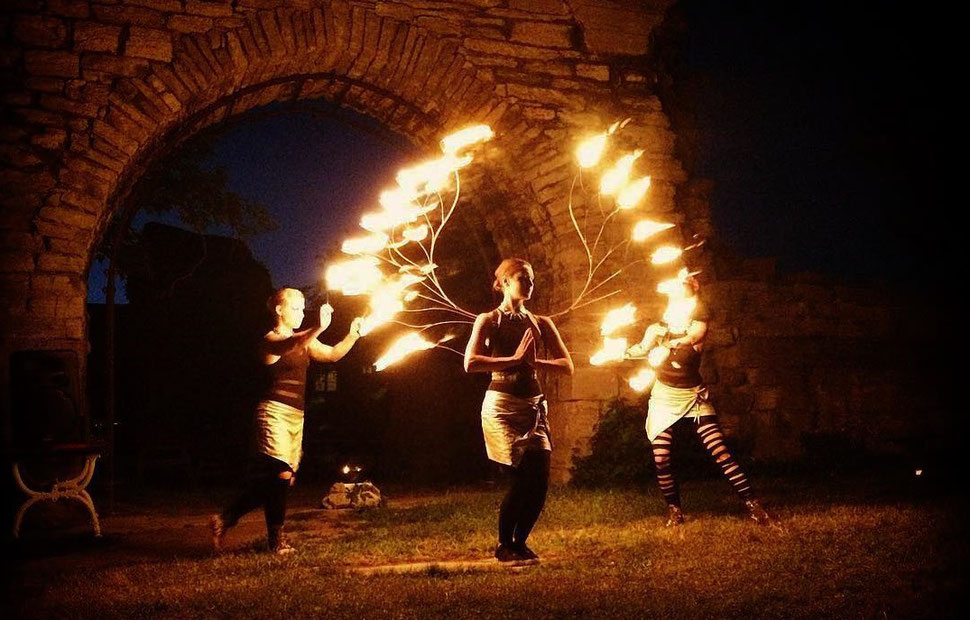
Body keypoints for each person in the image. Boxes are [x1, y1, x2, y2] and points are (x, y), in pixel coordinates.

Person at [210, 288, 362, 554]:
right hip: (273, 413)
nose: (301, 313)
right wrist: (317, 326)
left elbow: (333, 354)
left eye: (303, 309)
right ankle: (276, 542)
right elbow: (289, 345)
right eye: (295, 308)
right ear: (279, 310)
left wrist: (353, 333)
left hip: (297, 417)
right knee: (281, 473)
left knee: (279, 481)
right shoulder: (270, 340)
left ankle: (226, 518)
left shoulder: (304, 340)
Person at [627, 276, 771, 527]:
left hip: (693, 398)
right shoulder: (656, 329)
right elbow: (640, 348)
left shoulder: (697, 325)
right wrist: (622, 351)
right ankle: (675, 511)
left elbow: (692, 338)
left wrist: (667, 344)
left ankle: (752, 504)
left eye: (687, 292)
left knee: (720, 451)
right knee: (661, 457)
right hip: (663, 399)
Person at [464, 258, 574, 563]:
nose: (529, 284)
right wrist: (513, 359)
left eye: (532, 279)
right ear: (504, 282)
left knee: (539, 480)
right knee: (522, 477)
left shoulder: (541, 323)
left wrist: (534, 362)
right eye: (523, 278)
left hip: (534, 407)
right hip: (501, 408)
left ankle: (519, 542)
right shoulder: (489, 320)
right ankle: (504, 543)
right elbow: (470, 362)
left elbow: (568, 366)